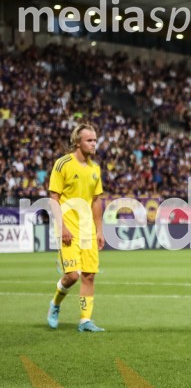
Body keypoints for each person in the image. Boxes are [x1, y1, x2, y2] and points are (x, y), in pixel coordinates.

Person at [47, 121, 106, 332]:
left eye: (95, 140)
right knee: (72, 275)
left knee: (89, 275)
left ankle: (85, 320)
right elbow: (54, 197)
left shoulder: (95, 169)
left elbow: (96, 201)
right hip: (68, 228)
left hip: (87, 229)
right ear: (77, 142)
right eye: (89, 140)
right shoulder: (63, 164)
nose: (94, 144)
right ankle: (55, 303)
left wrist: (99, 230)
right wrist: (61, 226)